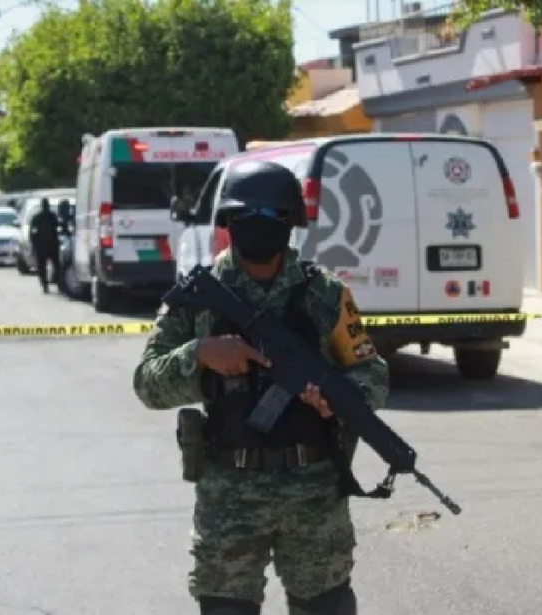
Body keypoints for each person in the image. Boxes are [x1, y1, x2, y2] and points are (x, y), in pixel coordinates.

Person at [133, 161, 389, 615]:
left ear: (291, 224)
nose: (260, 227)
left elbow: (373, 373)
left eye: (274, 217)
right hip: (229, 492)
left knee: (327, 605)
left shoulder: (326, 294)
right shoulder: (198, 295)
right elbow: (148, 384)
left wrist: (342, 400)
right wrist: (199, 355)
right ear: (228, 223)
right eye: (247, 217)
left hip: (313, 494)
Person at [29, 198, 61, 293]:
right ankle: (58, 284)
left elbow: (32, 233)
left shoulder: (37, 217)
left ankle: (45, 285)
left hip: (41, 246)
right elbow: (58, 229)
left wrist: (34, 244)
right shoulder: (53, 216)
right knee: (56, 266)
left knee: (42, 267)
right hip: (52, 245)